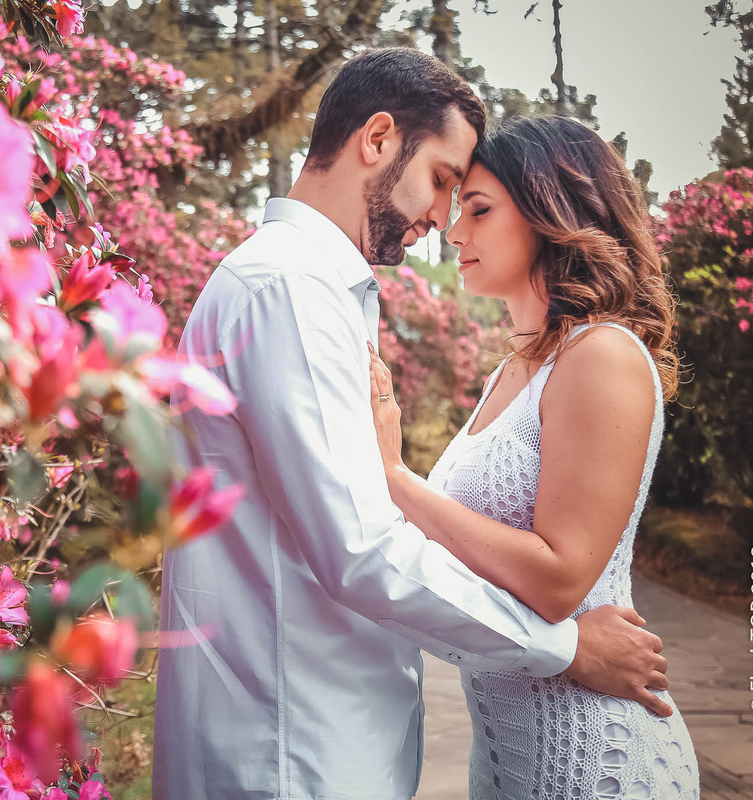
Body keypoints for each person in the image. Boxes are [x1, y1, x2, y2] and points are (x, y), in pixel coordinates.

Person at [154, 47, 671, 800]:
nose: (442, 220)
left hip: (320, 736)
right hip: (290, 749)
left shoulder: (314, 290)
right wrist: (560, 649)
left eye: (467, 199)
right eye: (441, 181)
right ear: (377, 140)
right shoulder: (290, 292)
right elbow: (361, 550)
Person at [368, 114, 699, 798]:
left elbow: (557, 579)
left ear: (553, 209)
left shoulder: (600, 353)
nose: (455, 233)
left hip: (595, 761)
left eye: (480, 211)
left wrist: (394, 476)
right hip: (509, 762)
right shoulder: (515, 369)